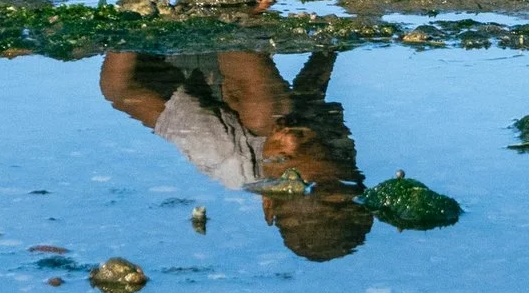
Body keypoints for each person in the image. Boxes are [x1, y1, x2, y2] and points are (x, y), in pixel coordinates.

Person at [99, 50, 371, 261]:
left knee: (266, 114)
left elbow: (119, 92)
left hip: (173, 61)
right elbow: (311, 99)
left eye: (282, 160)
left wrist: (127, 31)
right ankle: (241, 18)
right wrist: (329, 47)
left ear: (266, 202)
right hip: (228, 70)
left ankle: (233, 10)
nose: (289, 139)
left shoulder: (225, 157)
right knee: (280, 114)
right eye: (310, 146)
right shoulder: (340, 162)